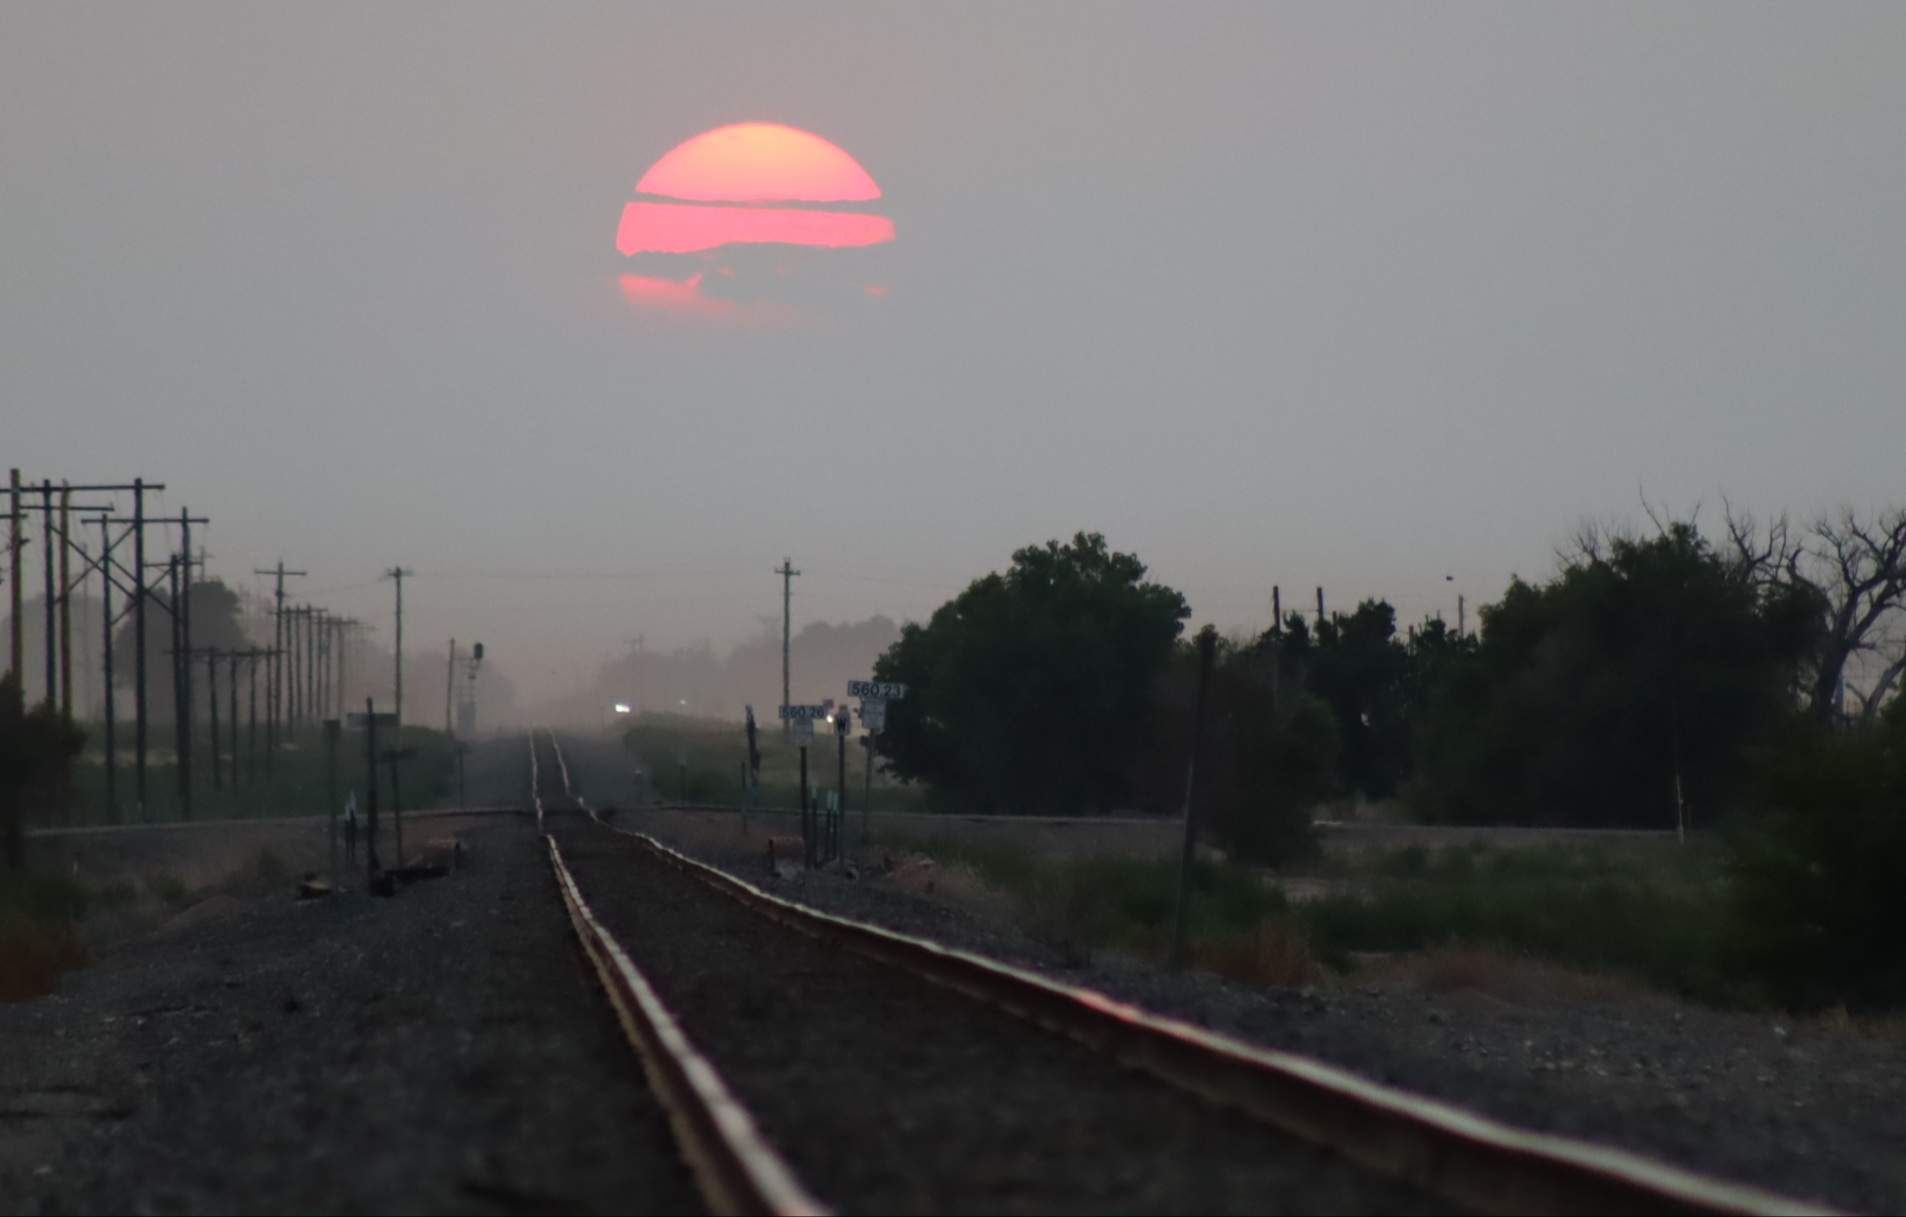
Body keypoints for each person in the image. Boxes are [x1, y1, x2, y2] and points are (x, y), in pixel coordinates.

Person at [344, 792, 359, 865]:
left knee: (350, 839)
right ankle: (350, 853)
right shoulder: (350, 802)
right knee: (350, 839)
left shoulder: (350, 802)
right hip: (350, 821)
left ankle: (350, 853)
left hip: (350, 821)